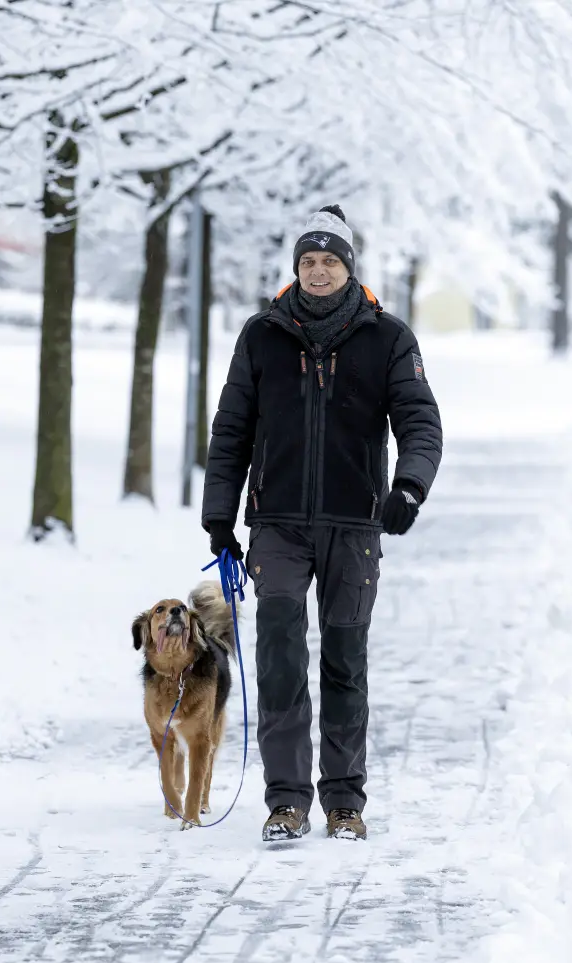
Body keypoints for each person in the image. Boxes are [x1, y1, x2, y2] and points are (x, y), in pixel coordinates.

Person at [202, 205, 443, 841]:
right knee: (279, 655)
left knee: (344, 659)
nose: (317, 272)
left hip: (354, 527)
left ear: (348, 267)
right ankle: (286, 802)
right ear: (295, 268)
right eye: (307, 261)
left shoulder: (388, 338)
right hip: (277, 525)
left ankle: (344, 803)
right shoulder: (261, 336)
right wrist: (219, 517)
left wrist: (409, 489)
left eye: (329, 261)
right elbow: (231, 431)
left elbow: (420, 422)